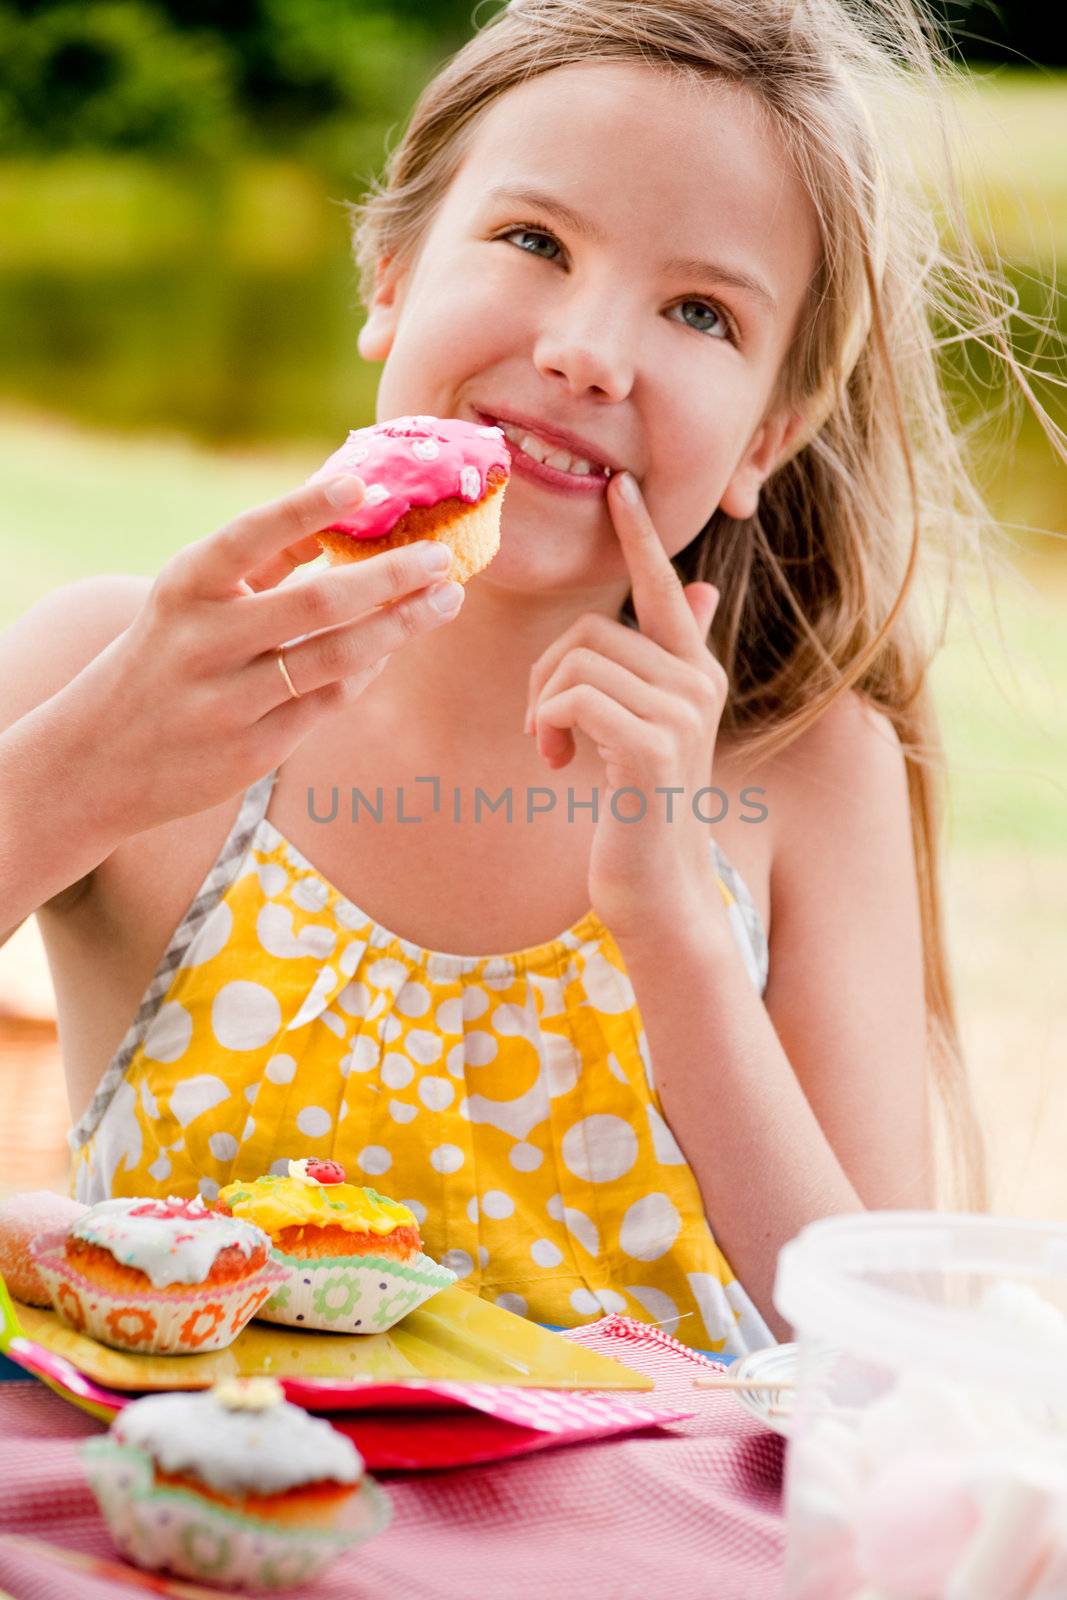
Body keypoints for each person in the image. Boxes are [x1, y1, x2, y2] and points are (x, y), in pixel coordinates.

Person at [0, 0, 1053, 1354]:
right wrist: (78, 775)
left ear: (767, 438)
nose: (588, 352)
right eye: (534, 241)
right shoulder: (120, 666)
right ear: (389, 275)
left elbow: (888, 1364)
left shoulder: (801, 770)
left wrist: (673, 920)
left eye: (700, 312)